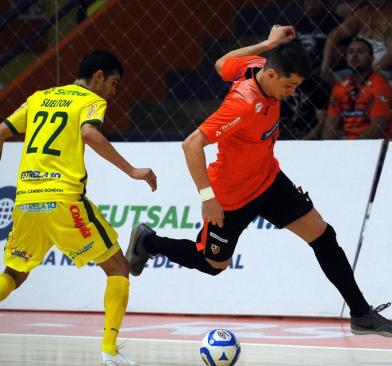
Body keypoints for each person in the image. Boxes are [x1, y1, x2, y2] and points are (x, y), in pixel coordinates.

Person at [127, 26, 392, 337]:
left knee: (323, 235)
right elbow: (191, 144)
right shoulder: (242, 104)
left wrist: (268, 43)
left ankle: (361, 314)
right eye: (290, 86)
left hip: (268, 179)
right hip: (231, 195)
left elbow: (221, 64)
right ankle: (148, 241)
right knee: (213, 264)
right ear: (271, 75)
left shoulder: (256, 66)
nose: (292, 93)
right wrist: (207, 197)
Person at [0, 50, 157, 366]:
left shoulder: (39, 98)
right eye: (113, 82)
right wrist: (131, 170)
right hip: (64, 199)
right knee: (118, 268)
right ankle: (110, 351)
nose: (114, 91)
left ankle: (111, 351)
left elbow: (1, 131)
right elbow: (88, 133)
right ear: (98, 76)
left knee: (14, 275)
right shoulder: (89, 100)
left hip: (27, 200)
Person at [323, 38, 392, 139]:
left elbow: (378, 129)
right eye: (350, 52)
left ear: (372, 58)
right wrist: (329, 149)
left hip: (374, 147)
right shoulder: (340, 87)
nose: (354, 56)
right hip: (348, 146)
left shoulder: (380, 86)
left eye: (360, 52)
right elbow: (330, 127)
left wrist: (352, 149)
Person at [321, 0, 392, 82]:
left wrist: (369, 73)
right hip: (357, 70)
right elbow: (333, 36)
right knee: (331, 80)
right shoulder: (364, 12)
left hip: (383, 71)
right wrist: (325, 67)